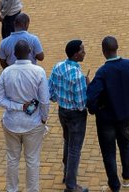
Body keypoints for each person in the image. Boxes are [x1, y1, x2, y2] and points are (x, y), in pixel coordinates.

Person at [86, 36, 129, 192]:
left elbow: (91, 98)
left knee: (109, 152)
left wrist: (90, 89)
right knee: (125, 144)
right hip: (126, 116)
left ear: (103, 51)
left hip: (106, 120)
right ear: (117, 48)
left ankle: (114, 186)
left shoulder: (102, 72)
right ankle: (127, 176)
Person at [0, 40, 50, 192]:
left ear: (14, 53)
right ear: (30, 52)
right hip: (33, 123)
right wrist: (44, 118)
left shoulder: (6, 72)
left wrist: (17, 107)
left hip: (11, 123)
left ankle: (12, 189)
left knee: (12, 159)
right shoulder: (38, 72)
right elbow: (45, 101)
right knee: (32, 160)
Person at [49, 40, 90, 192]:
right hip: (76, 116)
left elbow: (50, 92)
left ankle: (67, 175)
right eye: (82, 51)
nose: (84, 53)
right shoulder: (78, 76)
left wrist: (60, 98)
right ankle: (71, 186)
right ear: (75, 55)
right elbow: (81, 104)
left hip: (62, 112)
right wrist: (88, 86)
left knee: (67, 142)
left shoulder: (58, 66)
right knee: (75, 149)